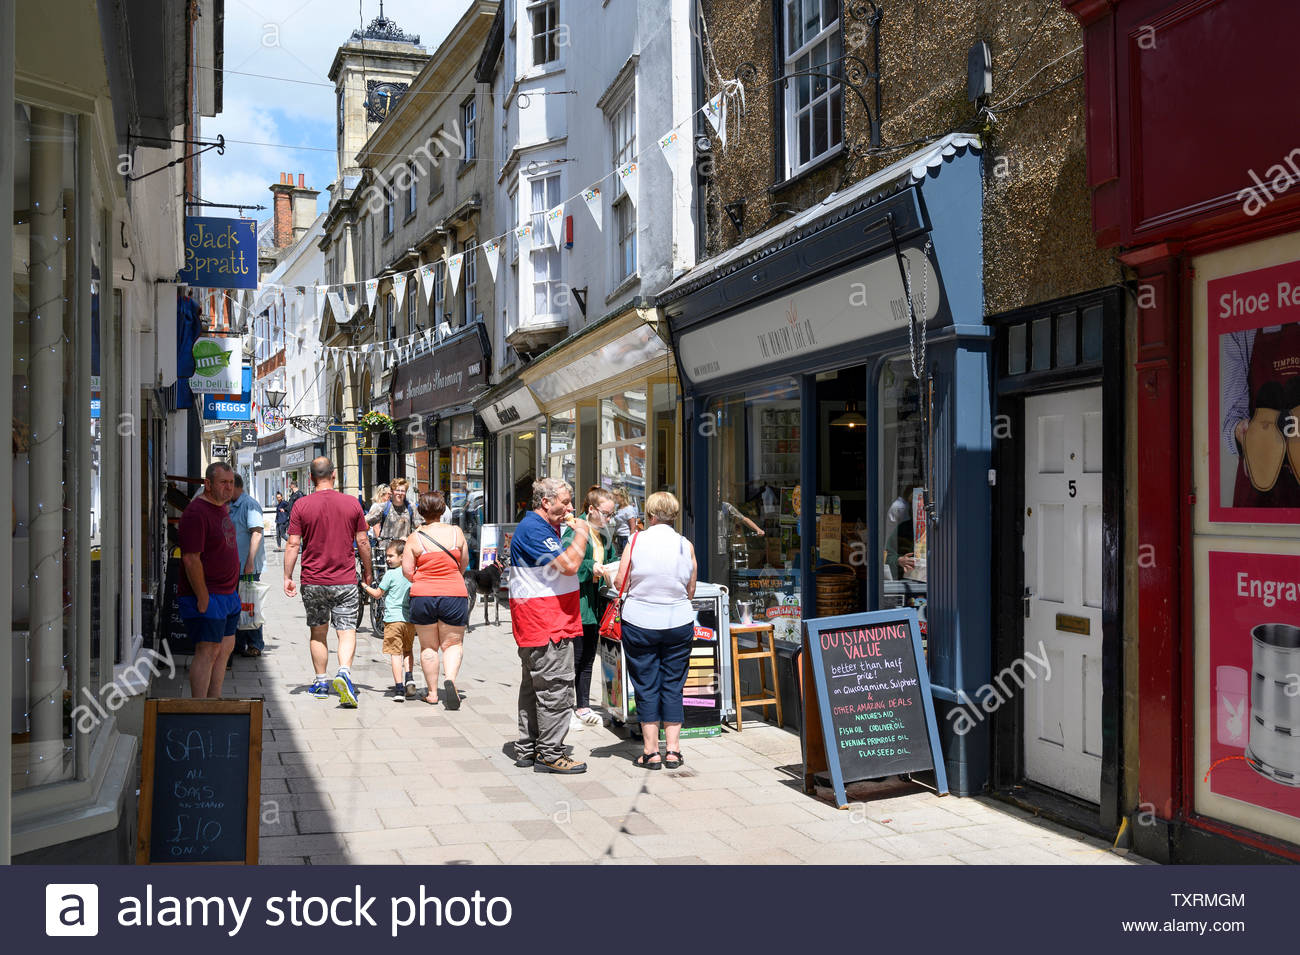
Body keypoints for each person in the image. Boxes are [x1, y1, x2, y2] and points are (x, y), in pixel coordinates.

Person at [509, 478, 590, 773]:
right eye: (565, 502)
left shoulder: (544, 527)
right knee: (555, 689)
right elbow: (568, 565)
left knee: (534, 686)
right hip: (546, 623)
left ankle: (528, 747)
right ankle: (550, 753)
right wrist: (582, 532)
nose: (570, 508)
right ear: (546, 502)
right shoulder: (534, 528)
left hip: (539, 621)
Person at [614, 491, 697, 770]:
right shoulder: (686, 544)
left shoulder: (635, 540)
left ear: (649, 514)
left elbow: (619, 583)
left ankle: (650, 752)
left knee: (646, 683)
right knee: (674, 683)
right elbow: (691, 589)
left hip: (640, 622)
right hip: (678, 622)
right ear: (673, 515)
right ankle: (673, 750)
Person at [283, 456, 373, 707]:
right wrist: (368, 572)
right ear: (334, 475)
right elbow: (363, 541)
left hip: (313, 581)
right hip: (344, 580)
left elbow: (292, 544)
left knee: (318, 632)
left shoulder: (301, 505)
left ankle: (321, 681)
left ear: (311, 478)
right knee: (346, 631)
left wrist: (287, 576)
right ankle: (343, 672)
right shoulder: (351, 504)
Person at [177, 462, 241, 698]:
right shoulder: (196, 513)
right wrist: (203, 598)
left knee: (224, 649)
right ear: (208, 484)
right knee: (207, 650)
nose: (228, 488)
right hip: (209, 595)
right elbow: (191, 559)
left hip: (228, 595)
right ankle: (200, 707)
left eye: (231, 483)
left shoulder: (221, 508)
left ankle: (215, 703)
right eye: (223, 483)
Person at [403, 491, 470, 708]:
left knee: (428, 647)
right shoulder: (456, 533)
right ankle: (449, 679)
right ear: (442, 509)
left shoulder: (415, 538)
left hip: (423, 595)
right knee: (452, 644)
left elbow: (406, 571)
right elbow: (464, 564)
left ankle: (432, 693)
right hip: (454, 593)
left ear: (421, 511)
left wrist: (422, 579)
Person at [564, 487, 616, 730]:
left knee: (586, 659)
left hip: (595, 604)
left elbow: (611, 558)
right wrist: (590, 566)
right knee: (574, 658)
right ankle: (566, 709)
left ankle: (582, 705)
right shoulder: (574, 529)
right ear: (591, 509)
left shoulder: (602, 534)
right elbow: (566, 559)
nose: (609, 518)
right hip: (578, 602)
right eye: (606, 513)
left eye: (611, 514)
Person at [363, 539, 417, 702]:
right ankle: (410, 678)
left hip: (393, 621)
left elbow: (378, 594)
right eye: (386, 556)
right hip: (409, 621)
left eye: (391, 556)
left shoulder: (391, 574)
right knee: (408, 650)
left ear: (402, 557)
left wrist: (364, 587)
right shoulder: (411, 574)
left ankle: (399, 688)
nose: (387, 559)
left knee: (395, 654)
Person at [229, 474, 266, 658]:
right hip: (233, 565)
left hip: (246, 566)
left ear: (235, 486)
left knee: (249, 606)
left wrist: (250, 561)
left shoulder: (249, 505)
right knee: (237, 606)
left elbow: (257, 534)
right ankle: (238, 643)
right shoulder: (230, 504)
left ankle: (255, 644)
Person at [368, 476, 421, 547]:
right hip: (386, 551)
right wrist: (379, 540)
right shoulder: (382, 507)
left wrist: (409, 538)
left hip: (404, 549)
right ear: (392, 492)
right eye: (397, 490)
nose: (400, 493)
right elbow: (365, 523)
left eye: (403, 491)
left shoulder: (411, 507)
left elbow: (420, 527)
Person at [613, 486, 638, 557]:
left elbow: (633, 527)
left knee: (626, 556)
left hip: (626, 537)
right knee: (620, 556)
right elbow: (617, 525)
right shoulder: (618, 508)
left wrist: (630, 541)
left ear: (622, 497)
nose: (615, 498)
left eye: (616, 496)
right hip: (619, 536)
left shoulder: (629, 509)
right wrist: (614, 536)